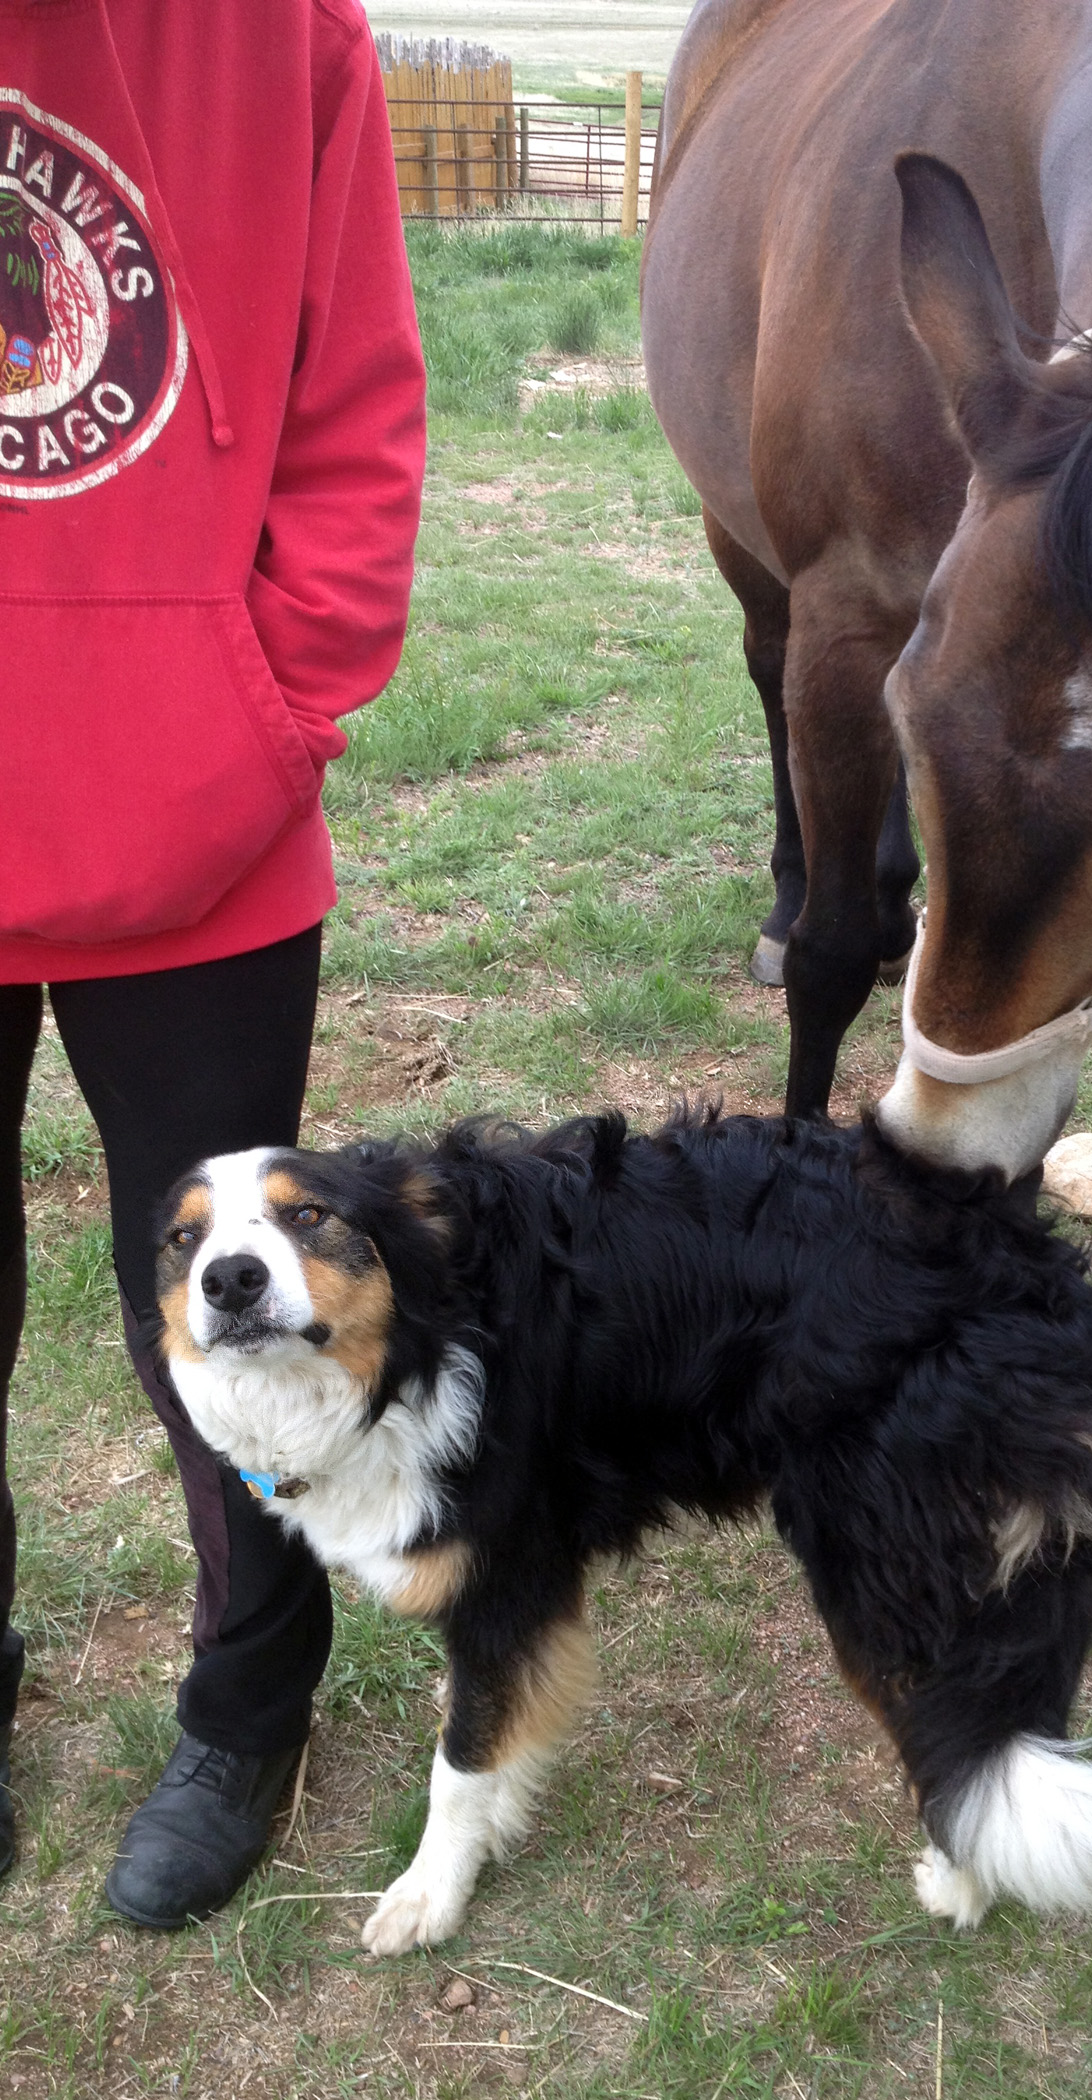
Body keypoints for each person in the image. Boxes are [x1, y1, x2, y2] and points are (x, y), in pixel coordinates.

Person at [0, 0, 426, 1927]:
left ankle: (250, 1708)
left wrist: (258, 717)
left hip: (202, 841)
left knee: (229, 1301)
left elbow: (356, 419)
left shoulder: (286, 41)